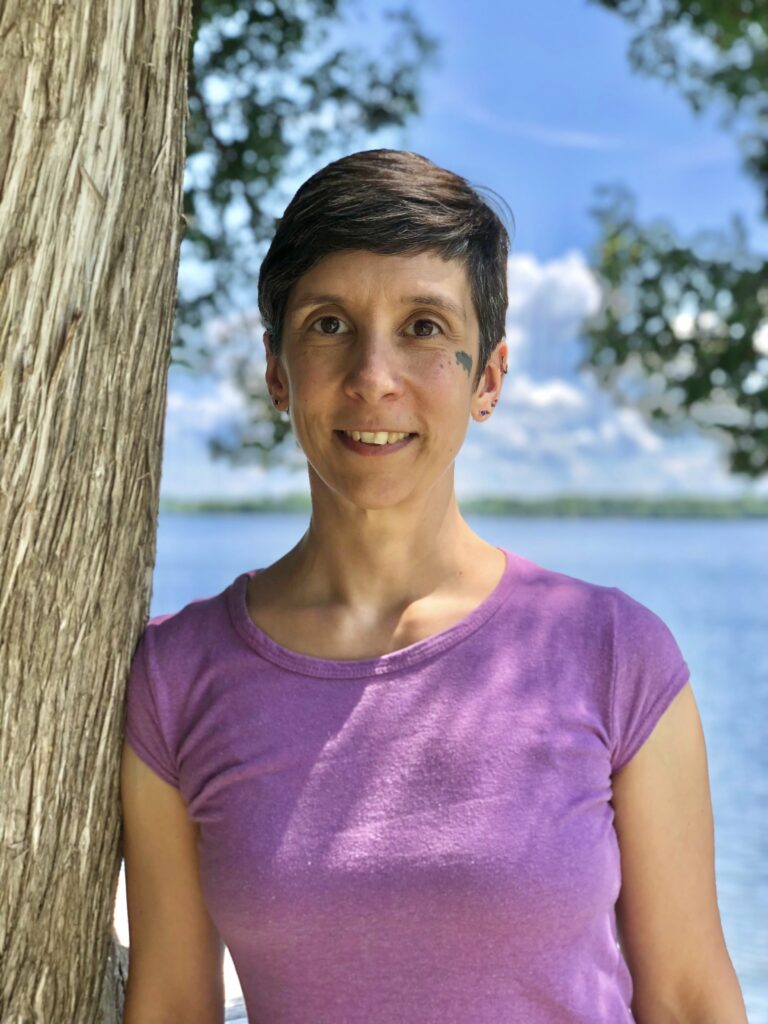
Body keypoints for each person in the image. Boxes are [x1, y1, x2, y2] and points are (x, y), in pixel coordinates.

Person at [120, 149, 748, 1023]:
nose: (374, 377)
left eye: (423, 327)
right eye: (329, 325)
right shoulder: (176, 677)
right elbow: (172, 1008)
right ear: (276, 372)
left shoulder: (615, 655)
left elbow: (687, 1001)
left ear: (487, 377)